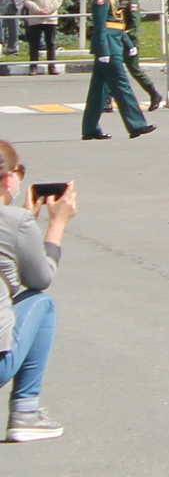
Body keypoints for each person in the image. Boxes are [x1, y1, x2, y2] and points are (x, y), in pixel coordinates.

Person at [0, 142, 70, 441]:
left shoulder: (17, 221)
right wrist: (57, 223)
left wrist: (24, 223)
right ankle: (26, 413)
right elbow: (39, 278)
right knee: (41, 303)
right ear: (8, 178)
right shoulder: (13, 221)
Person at [77, 0, 152, 141]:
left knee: (99, 90)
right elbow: (101, 25)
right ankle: (136, 125)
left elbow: (117, 23)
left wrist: (127, 43)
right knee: (122, 85)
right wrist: (103, 50)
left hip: (114, 44)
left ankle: (90, 128)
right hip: (109, 48)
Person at [18, 0, 58, 76]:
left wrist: (49, 10)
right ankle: (33, 67)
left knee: (51, 43)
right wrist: (37, 10)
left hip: (50, 19)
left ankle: (52, 66)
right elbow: (26, 0)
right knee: (34, 44)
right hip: (35, 19)